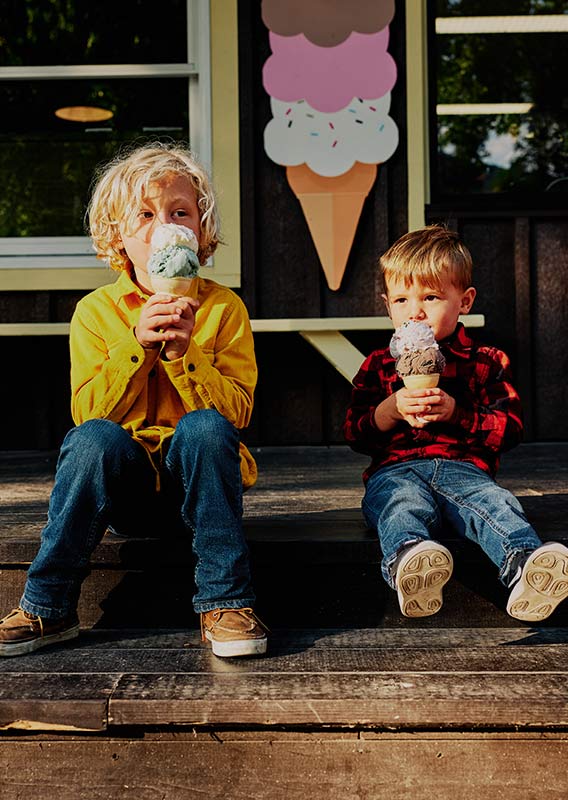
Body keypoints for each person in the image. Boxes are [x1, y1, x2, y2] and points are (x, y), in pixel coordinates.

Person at [0, 142, 267, 658]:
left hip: (203, 485)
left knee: (206, 427)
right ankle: (48, 605)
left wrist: (184, 356)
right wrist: (137, 346)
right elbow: (87, 415)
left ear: (201, 231)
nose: (162, 224)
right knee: (94, 437)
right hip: (125, 491)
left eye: (179, 212)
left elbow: (237, 414)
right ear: (118, 235)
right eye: (144, 215)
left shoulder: (224, 308)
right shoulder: (96, 312)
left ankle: (227, 601)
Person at [344, 225, 568, 621]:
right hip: (395, 470)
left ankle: (525, 565)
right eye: (401, 299)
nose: (414, 311)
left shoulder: (485, 361)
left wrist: (457, 413)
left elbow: (510, 427)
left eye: (430, 297)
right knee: (400, 504)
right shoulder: (379, 364)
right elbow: (354, 431)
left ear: (464, 301)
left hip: (464, 468)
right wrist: (389, 410)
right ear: (387, 304)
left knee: (494, 504)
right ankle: (410, 562)